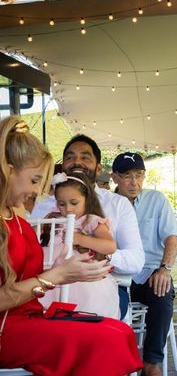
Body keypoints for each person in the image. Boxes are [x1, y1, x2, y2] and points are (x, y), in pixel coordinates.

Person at [0, 115, 142, 376]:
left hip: (31, 314)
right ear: (6, 169)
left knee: (123, 335)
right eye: (33, 180)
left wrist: (73, 271)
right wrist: (55, 277)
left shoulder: (16, 214)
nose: (37, 192)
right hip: (7, 327)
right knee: (108, 344)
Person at [32, 135, 145, 320]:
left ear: (98, 168)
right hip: (50, 285)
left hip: (98, 286)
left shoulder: (117, 204)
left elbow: (136, 260)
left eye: (85, 157)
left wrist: (97, 254)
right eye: (70, 157)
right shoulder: (45, 206)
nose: (76, 162)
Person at [111, 152, 177, 376]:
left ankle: (151, 363)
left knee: (163, 293)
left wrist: (165, 269)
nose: (134, 182)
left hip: (150, 270)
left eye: (139, 175)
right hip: (117, 275)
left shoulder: (156, 200)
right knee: (106, 304)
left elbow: (172, 237)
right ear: (115, 177)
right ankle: (115, 366)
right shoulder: (106, 205)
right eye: (127, 176)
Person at [41, 172, 120, 319]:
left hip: (80, 277)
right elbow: (34, 234)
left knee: (82, 305)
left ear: (87, 200)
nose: (68, 209)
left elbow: (110, 246)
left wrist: (80, 239)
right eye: (61, 204)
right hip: (52, 270)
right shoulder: (54, 218)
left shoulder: (90, 220)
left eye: (74, 203)